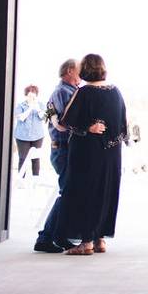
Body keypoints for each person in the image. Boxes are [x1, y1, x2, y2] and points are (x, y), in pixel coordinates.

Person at [54, 54, 128, 256]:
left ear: (86, 69)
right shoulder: (116, 92)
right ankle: (100, 239)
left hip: (87, 153)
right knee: (105, 191)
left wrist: (88, 128)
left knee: (84, 192)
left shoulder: (84, 92)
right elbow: (122, 126)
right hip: (112, 153)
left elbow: (67, 120)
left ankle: (85, 242)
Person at [33, 59, 81, 253]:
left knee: (70, 194)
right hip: (62, 148)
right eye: (79, 71)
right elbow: (63, 122)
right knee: (68, 193)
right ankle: (45, 238)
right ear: (69, 71)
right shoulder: (62, 92)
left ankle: (60, 235)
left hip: (65, 148)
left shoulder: (70, 91)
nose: (82, 74)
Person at [14, 85, 45, 177]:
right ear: (26, 95)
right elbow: (21, 118)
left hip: (37, 136)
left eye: (34, 96)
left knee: (35, 158)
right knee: (22, 158)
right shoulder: (21, 105)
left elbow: (43, 117)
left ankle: (35, 179)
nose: (32, 98)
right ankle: (21, 179)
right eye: (29, 96)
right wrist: (30, 108)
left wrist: (37, 108)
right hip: (22, 136)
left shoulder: (40, 105)